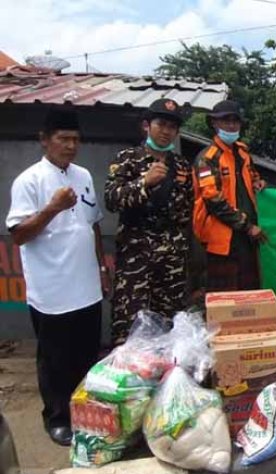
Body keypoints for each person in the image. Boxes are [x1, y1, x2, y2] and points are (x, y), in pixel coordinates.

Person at [5, 109, 109, 446]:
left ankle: (84, 413)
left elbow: (92, 224)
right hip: (52, 290)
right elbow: (19, 234)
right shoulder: (29, 180)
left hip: (87, 285)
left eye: (76, 140)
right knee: (54, 360)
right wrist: (52, 208)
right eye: (63, 139)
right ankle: (58, 418)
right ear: (44, 140)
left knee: (85, 355)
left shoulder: (82, 175)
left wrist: (102, 269)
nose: (70, 146)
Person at [104, 98, 194, 345]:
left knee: (171, 329)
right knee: (130, 330)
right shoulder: (128, 159)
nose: (166, 132)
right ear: (147, 125)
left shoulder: (182, 165)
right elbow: (112, 199)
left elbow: (188, 209)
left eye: (172, 127)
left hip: (172, 262)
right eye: (161, 124)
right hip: (137, 260)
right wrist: (144, 182)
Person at [192, 100, 267, 293]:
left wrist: (259, 182)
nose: (232, 125)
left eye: (235, 121)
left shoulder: (243, 152)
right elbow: (213, 200)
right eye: (226, 121)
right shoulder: (207, 158)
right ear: (215, 124)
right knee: (226, 298)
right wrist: (247, 226)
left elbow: (251, 175)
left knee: (250, 292)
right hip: (223, 238)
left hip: (249, 238)